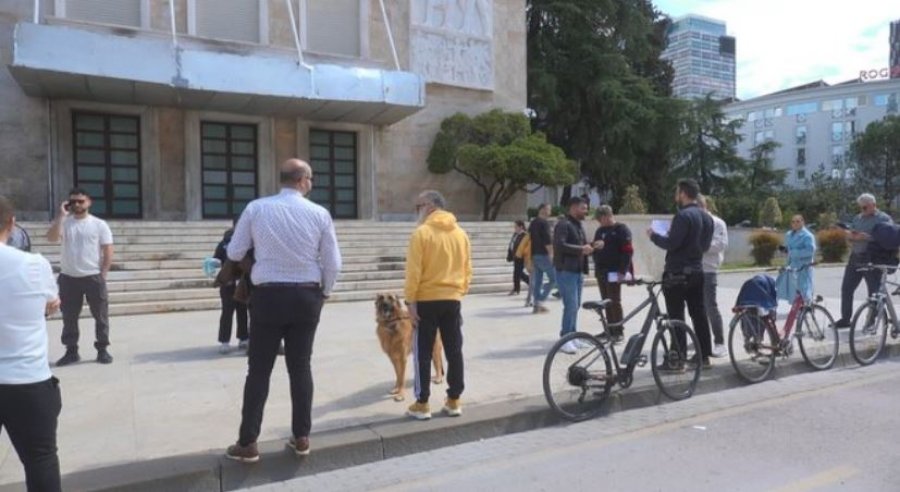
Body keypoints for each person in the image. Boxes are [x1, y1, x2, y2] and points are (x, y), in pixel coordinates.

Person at [224, 159, 342, 462]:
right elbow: (333, 263)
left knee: (259, 370)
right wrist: (325, 291)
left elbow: (235, 251)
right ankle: (301, 437)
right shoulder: (319, 213)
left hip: (268, 297)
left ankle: (248, 442)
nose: (311, 183)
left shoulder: (257, 208)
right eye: (311, 178)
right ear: (302, 180)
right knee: (300, 367)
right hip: (306, 296)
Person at [0, 196, 63, 492]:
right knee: (41, 461)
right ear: (12, 225)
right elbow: (50, 301)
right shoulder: (35, 265)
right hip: (27, 380)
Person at [404, 190, 472, 420]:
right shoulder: (460, 234)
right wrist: (458, 291)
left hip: (426, 299)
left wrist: (410, 302)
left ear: (429, 206)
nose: (417, 211)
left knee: (422, 352)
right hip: (452, 299)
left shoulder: (421, 233)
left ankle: (422, 403)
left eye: (418, 206)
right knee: (454, 350)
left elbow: (413, 272)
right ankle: (454, 400)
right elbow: (467, 270)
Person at [648, 178, 713, 367]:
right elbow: (705, 245)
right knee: (699, 314)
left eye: (677, 192)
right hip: (697, 270)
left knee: (676, 316)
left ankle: (678, 357)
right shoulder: (706, 217)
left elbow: (671, 244)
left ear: (683, 194)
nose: (676, 195)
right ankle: (704, 355)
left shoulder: (683, 216)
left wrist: (654, 236)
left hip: (677, 272)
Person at [47, 188, 114, 366]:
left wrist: (103, 274)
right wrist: (61, 216)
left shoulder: (99, 225)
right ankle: (71, 351)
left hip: (93, 277)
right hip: (69, 277)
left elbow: (108, 250)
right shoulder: (65, 223)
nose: (77, 204)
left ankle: (102, 349)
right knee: (69, 317)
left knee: (100, 316)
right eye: (73, 201)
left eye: (80, 201)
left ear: (89, 202)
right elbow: (52, 238)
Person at [835, 193, 893, 328]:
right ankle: (845, 319)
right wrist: (849, 236)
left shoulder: (883, 219)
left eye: (865, 207)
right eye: (861, 208)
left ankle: (870, 322)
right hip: (855, 257)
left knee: (873, 292)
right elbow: (852, 234)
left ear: (873, 205)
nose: (863, 210)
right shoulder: (857, 218)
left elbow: (889, 238)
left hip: (872, 259)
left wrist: (867, 237)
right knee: (847, 289)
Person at [554, 197, 593, 354]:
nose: (586, 211)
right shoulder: (563, 224)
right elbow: (560, 245)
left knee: (575, 306)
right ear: (573, 208)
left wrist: (592, 245)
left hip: (577, 271)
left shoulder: (577, 225)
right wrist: (581, 249)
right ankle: (565, 338)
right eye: (583, 208)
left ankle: (573, 336)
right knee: (570, 305)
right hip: (566, 270)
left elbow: (581, 244)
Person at [591, 205, 633, 339]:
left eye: (600, 219)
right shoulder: (600, 231)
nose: (599, 222)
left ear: (606, 216)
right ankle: (609, 330)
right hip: (602, 271)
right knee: (605, 301)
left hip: (614, 272)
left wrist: (622, 270)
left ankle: (619, 330)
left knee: (615, 301)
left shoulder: (621, 229)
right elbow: (595, 247)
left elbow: (628, 251)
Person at [698, 195, 729, 358]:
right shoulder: (693, 223)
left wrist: (698, 246)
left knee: (710, 306)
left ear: (704, 207)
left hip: (709, 269)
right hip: (693, 269)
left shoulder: (717, 223)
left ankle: (719, 342)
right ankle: (703, 338)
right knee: (697, 308)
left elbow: (720, 244)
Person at [213, 217, 249, 354]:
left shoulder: (248, 242)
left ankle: (244, 338)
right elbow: (216, 259)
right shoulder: (224, 243)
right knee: (227, 312)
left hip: (243, 282)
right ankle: (224, 341)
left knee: (243, 311)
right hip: (228, 283)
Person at [777, 215, 816, 302]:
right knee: (792, 290)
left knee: (804, 289)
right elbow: (788, 249)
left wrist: (793, 252)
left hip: (803, 267)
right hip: (792, 266)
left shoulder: (808, 236)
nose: (795, 224)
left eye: (798, 221)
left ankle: (807, 309)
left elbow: (810, 251)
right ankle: (797, 309)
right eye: (793, 222)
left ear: (803, 222)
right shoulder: (789, 235)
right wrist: (784, 250)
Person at [528, 203, 556, 314]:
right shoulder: (544, 223)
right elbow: (547, 240)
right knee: (554, 279)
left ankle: (536, 305)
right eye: (549, 209)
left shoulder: (533, 222)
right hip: (544, 255)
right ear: (543, 210)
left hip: (534, 254)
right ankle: (540, 300)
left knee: (538, 281)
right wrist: (551, 255)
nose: (550, 212)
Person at [506, 220, 529, 296]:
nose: (515, 228)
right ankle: (530, 283)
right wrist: (510, 255)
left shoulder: (525, 235)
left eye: (516, 226)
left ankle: (516, 289)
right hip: (515, 256)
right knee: (518, 273)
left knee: (517, 273)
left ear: (521, 227)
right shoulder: (515, 234)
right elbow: (512, 244)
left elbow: (526, 246)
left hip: (521, 257)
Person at [515, 227, 535, 307]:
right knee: (533, 281)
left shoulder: (530, 235)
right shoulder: (529, 236)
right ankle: (530, 300)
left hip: (536, 260)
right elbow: (521, 248)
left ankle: (530, 299)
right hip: (531, 261)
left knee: (533, 281)